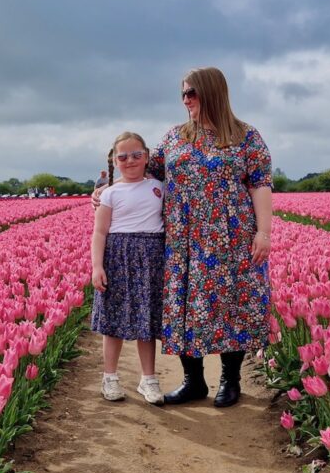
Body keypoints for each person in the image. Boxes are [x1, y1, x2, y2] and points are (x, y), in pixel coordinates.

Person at [93, 67, 272, 408]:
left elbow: (260, 185)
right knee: (186, 305)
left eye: (192, 93)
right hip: (182, 240)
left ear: (213, 93)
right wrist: (104, 189)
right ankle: (194, 381)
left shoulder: (246, 137)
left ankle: (230, 380)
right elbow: (141, 171)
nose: (186, 100)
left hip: (231, 236)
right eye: (183, 95)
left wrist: (264, 233)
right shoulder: (175, 138)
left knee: (230, 304)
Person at [90, 131, 166, 405]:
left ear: (147, 157)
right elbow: (100, 232)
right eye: (122, 157)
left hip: (151, 257)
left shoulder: (159, 186)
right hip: (118, 256)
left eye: (136, 155)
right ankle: (109, 377)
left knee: (146, 320)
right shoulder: (109, 194)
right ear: (114, 160)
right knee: (114, 320)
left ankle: (149, 380)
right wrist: (97, 266)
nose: (130, 161)